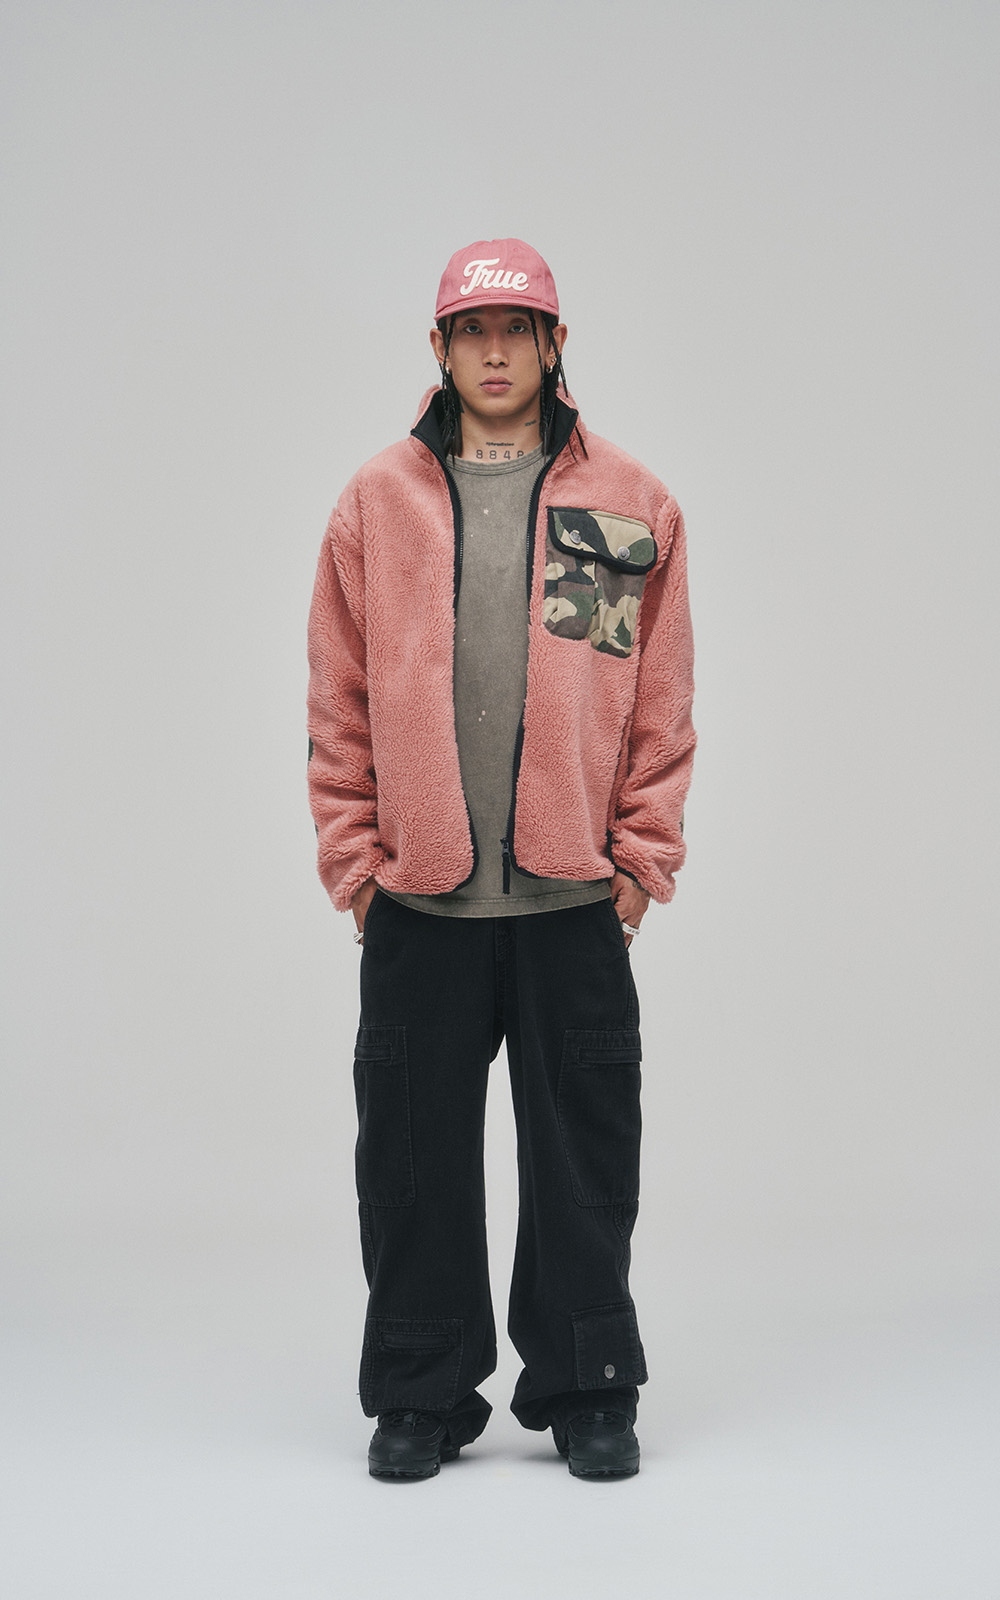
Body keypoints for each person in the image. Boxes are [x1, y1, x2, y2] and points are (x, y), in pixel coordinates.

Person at [307, 239, 696, 1481]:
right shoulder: (375, 502)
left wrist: (639, 857)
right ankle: (420, 1390)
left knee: (584, 1156)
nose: (492, 351)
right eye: (470, 330)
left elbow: (659, 701)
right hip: (418, 901)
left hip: (572, 898)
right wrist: (355, 864)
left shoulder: (626, 500)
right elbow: (338, 700)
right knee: (411, 1160)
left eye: (514, 329)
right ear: (438, 348)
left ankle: (587, 1382)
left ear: (551, 345)